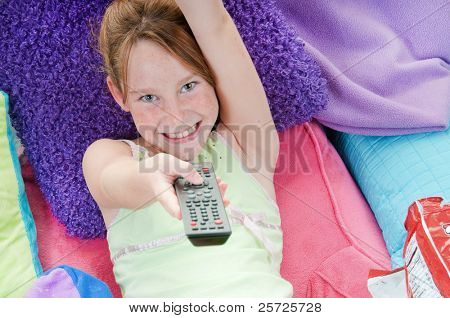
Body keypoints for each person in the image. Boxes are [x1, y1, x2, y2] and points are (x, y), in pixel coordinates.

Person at [82, 0, 293, 297]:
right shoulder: (109, 155)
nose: (177, 116)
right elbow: (110, 179)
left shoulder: (245, 146)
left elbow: (214, 25)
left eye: (188, 86)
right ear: (119, 94)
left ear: (212, 73)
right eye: (149, 98)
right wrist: (150, 177)